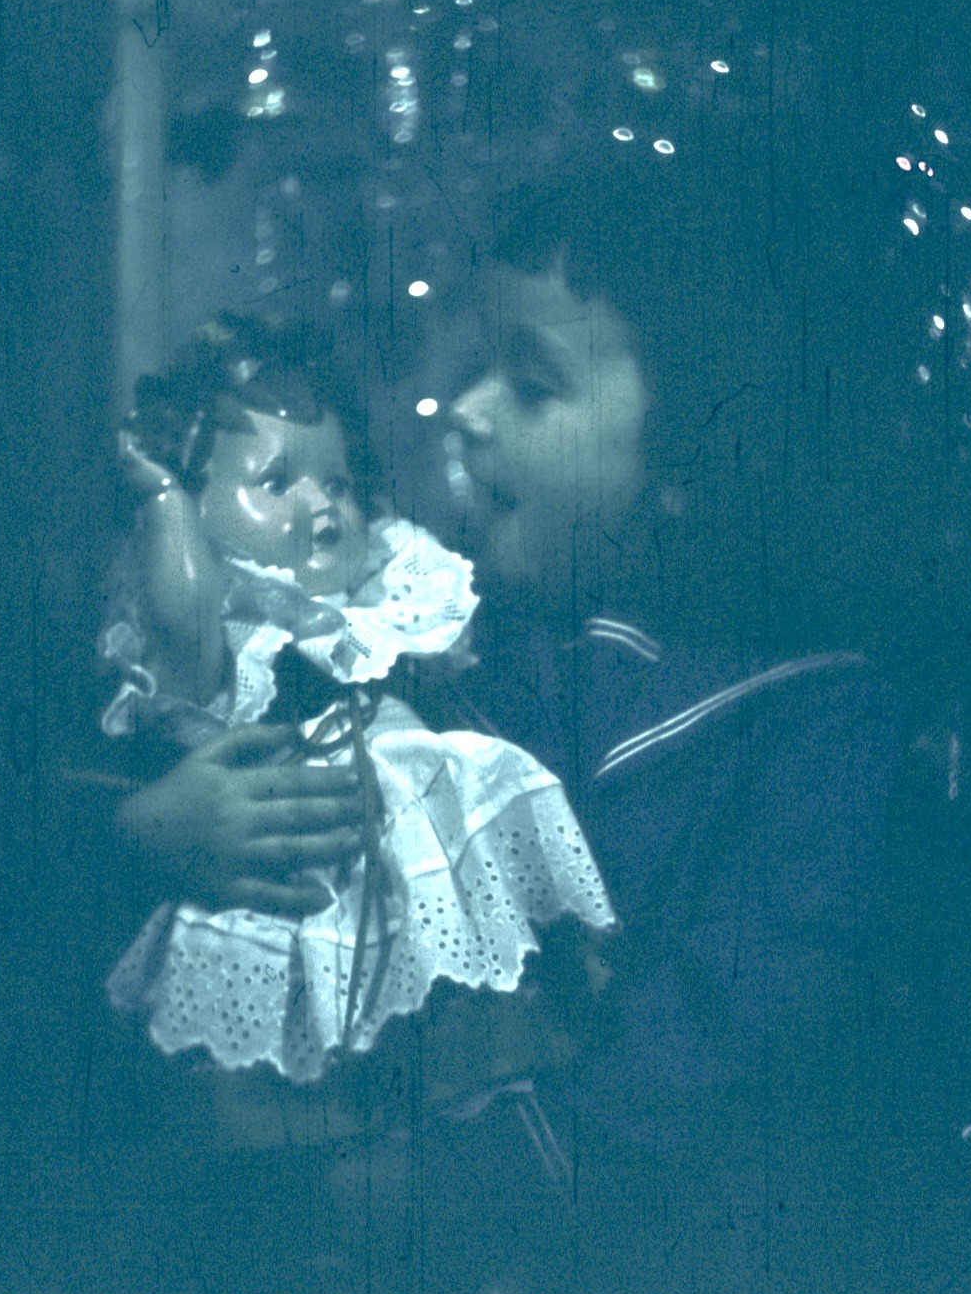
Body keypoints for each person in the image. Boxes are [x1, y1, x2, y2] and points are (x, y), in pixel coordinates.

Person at [107, 175, 899, 1294]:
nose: (468, 412)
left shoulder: (819, 716)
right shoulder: (481, 644)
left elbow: (728, 1041)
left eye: (531, 383)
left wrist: (435, 1187)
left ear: (702, 439)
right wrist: (158, 826)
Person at [100, 310, 613, 1092]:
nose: (321, 503)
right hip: (296, 873)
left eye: (336, 480)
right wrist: (166, 501)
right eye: (275, 482)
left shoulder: (386, 610)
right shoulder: (234, 642)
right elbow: (183, 620)